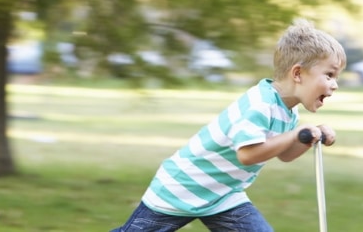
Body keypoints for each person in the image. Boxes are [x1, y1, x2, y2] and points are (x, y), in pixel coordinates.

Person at [111, 19, 346, 232]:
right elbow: (247, 154)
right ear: (297, 73)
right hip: (183, 187)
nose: (334, 85)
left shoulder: (288, 110)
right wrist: (295, 134)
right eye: (329, 75)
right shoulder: (259, 104)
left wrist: (305, 138)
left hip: (223, 195)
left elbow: (284, 155)